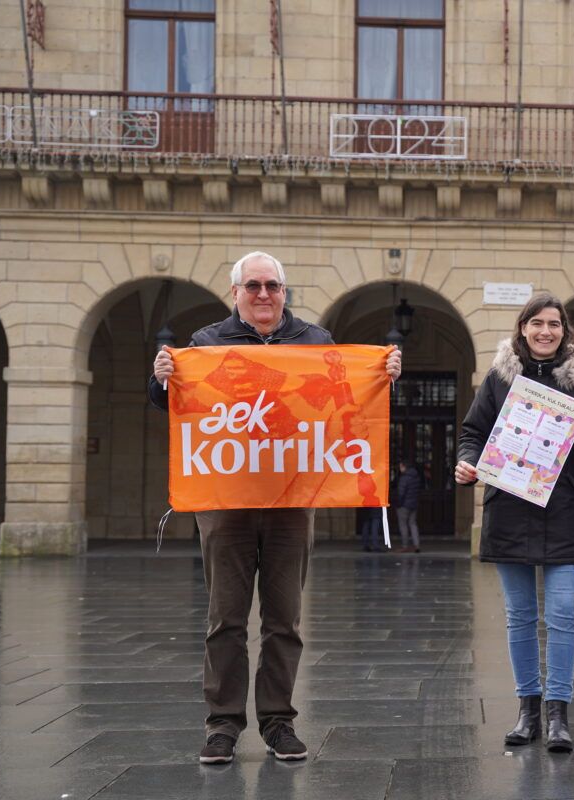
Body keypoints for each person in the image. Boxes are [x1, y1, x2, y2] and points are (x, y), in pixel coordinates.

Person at [148, 251, 402, 765]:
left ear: (285, 292)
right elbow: (174, 405)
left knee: (284, 618)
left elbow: (342, 402)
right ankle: (222, 726)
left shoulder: (315, 340)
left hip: (292, 499)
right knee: (226, 619)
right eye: (253, 286)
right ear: (235, 293)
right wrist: (162, 379)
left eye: (273, 286)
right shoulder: (207, 343)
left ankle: (278, 722)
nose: (263, 295)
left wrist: (381, 377)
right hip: (226, 500)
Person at [455, 293, 574, 753]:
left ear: (565, 331)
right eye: (537, 323)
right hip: (510, 509)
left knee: (562, 615)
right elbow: (472, 433)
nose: (546, 331)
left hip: (563, 510)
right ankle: (528, 712)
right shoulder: (500, 378)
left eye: (554, 324)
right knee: (520, 617)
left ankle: (559, 715)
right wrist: (466, 464)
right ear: (523, 328)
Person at [394, 460, 422, 552]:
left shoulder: (404, 478)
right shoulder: (416, 477)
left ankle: (405, 545)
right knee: (413, 524)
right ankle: (416, 545)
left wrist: (398, 503)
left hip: (404, 505)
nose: (400, 468)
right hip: (414, 504)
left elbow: (401, 493)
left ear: (404, 467)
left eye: (400, 466)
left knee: (403, 525)